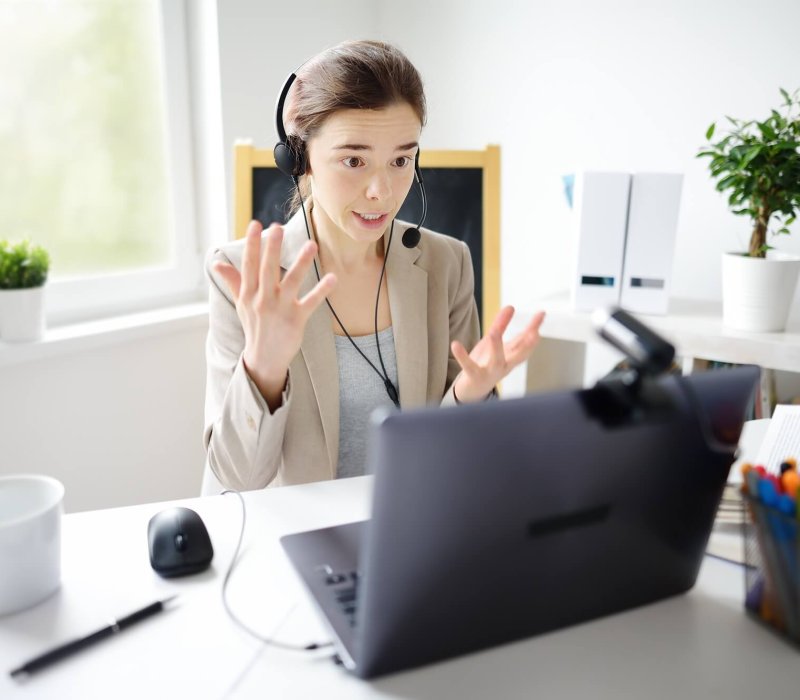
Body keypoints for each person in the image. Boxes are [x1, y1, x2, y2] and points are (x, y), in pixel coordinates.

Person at [203, 40, 545, 491]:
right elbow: (237, 481)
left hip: (408, 526)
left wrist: (467, 396)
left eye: (401, 160)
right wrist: (263, 368)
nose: (381, 191)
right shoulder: (243, 278)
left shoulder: (446, 264)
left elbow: (458, 463)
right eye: (353, 160)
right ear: (299, 159)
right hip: (292, 540)